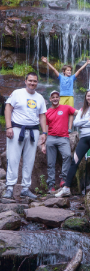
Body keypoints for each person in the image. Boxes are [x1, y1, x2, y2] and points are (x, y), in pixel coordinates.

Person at [4, 72, 47, 200]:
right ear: (25, 81)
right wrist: (8, 127)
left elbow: (42, 115)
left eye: (35, 81)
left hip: (33, 131)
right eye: (30, 81)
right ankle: (10, 187)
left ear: (37, 83)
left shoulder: (39, 97)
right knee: (13, 158)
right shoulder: (17, 93)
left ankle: (25, 188)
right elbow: (8, 108)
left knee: (29, 160)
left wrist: (44, 132)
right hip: (17, 129)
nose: (32, 83)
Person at [63, 89, 90, 197]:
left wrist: (84, 122)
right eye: (88, 96)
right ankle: (66, 188)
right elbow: (76, 123)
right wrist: (88, 120)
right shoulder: (82, 110)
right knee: (74, 162)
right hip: (84, 138)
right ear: (86, 97)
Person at [43, 91, 76, 195]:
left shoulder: (66, 108)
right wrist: (44, 143)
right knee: (50, 163)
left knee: (67, 156)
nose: (55, 99)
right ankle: (51, 185)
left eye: (57, 97)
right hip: (51, 138)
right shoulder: (47, 112)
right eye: (53, 97)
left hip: (63, 138)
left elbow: (77, 113)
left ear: (59, 98)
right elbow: (46, 128)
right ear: (50, 99)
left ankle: (63, 178)